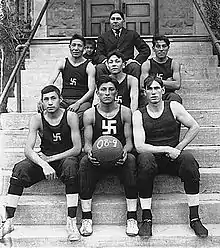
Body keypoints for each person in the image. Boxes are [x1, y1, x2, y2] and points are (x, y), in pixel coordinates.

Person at [0, 85, 82, 241]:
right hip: (45, 158)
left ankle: (71, 221)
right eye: (46, 99)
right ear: (42, 102)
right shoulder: (37, 119)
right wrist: (44, 164)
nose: (50, 102)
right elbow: (28, 150)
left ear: (60, 100)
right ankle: (9, 221)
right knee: (19, 169)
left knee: (71, 168)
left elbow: (77, 148)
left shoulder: (70, 117)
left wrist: (51, 159)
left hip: (65, 158)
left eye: (53, 98)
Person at [132, 75, 208, 238]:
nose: (153, 92)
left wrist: (179, 148)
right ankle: (146, 218)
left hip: (172, 158)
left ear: (163, 90)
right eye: (150, 89)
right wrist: (167, 148)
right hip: (152, 159)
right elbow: (139, 146)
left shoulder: (173, 106)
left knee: (189, 160)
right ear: (144, 92)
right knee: (144, 159)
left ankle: (194, 217)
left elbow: (194, 126)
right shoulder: (138, 114)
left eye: (156, 88)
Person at [79, 75, 138, 237]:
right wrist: (90, 153)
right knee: (84, 162)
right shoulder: (89, 114)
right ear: (97, 92)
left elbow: (129, 142)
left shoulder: (125, 112)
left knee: (132, 160)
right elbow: (87, 144)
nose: (107, 93)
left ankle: (132, 217)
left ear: (116, 92)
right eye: (103, 89)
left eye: (111, 89)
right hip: (98, 159)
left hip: (119, 158)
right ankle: (86, 217)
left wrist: (125, 151)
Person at [38, 34, 96, 128]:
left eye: (79, 46)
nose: (76, 48)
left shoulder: (89, 66)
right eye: (73, 45)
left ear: (84, 48)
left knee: (76, 118)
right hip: (64, 100)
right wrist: (42, 98)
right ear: (69, 47)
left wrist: (78, 103)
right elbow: (50, 83)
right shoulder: (62, 62)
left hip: (81, 101)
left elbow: (91, 90)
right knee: (45, 109)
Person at [95, 10, 151, 80]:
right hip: (110, 64)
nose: (115, 21)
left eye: (118, 19)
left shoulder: (132, 34)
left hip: (126, 64)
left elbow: (145, 50)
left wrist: (136, 60)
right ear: (109, 21)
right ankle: (103, 89)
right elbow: (98, 54)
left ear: (123, 20)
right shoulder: (103, 37)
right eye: (113, 19)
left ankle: (134, 88)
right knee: (100, 67)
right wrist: (106, 61)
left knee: (135, 66)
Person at [140, 35, 182, 104]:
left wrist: (152, 80)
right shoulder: (147, 64)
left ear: (168, 48)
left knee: (175, 98)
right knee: (144, 99)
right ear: (153, 49)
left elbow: (177, 85)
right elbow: (142, 85)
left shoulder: (173, 64)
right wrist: (166, 82)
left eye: (164, 46)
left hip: (167, 94)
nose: (161, 49)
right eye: (158, 46)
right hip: (152, 93)